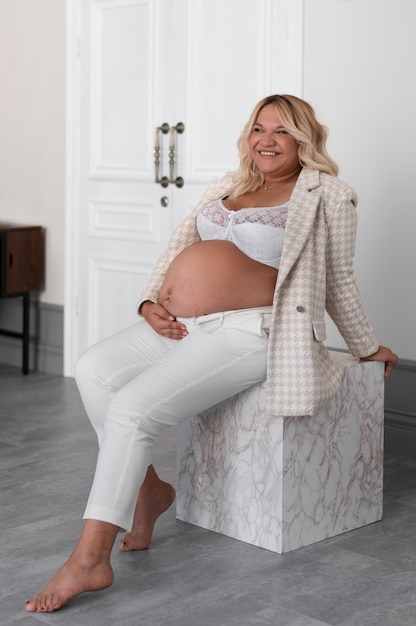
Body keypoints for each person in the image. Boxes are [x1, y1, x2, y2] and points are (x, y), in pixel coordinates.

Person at [25, 95, 398, 612]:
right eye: (258, 129)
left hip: (250, 332)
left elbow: (338, 279)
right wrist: (150, 301)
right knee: (93, 369)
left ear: (304, 140)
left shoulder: (328, 195)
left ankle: (91, 559)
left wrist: (364, 346)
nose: (266, 140)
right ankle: (151, 492)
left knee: (132, 410)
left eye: (282, 131)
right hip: (183, 325)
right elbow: (178, 249)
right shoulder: (228, 185)